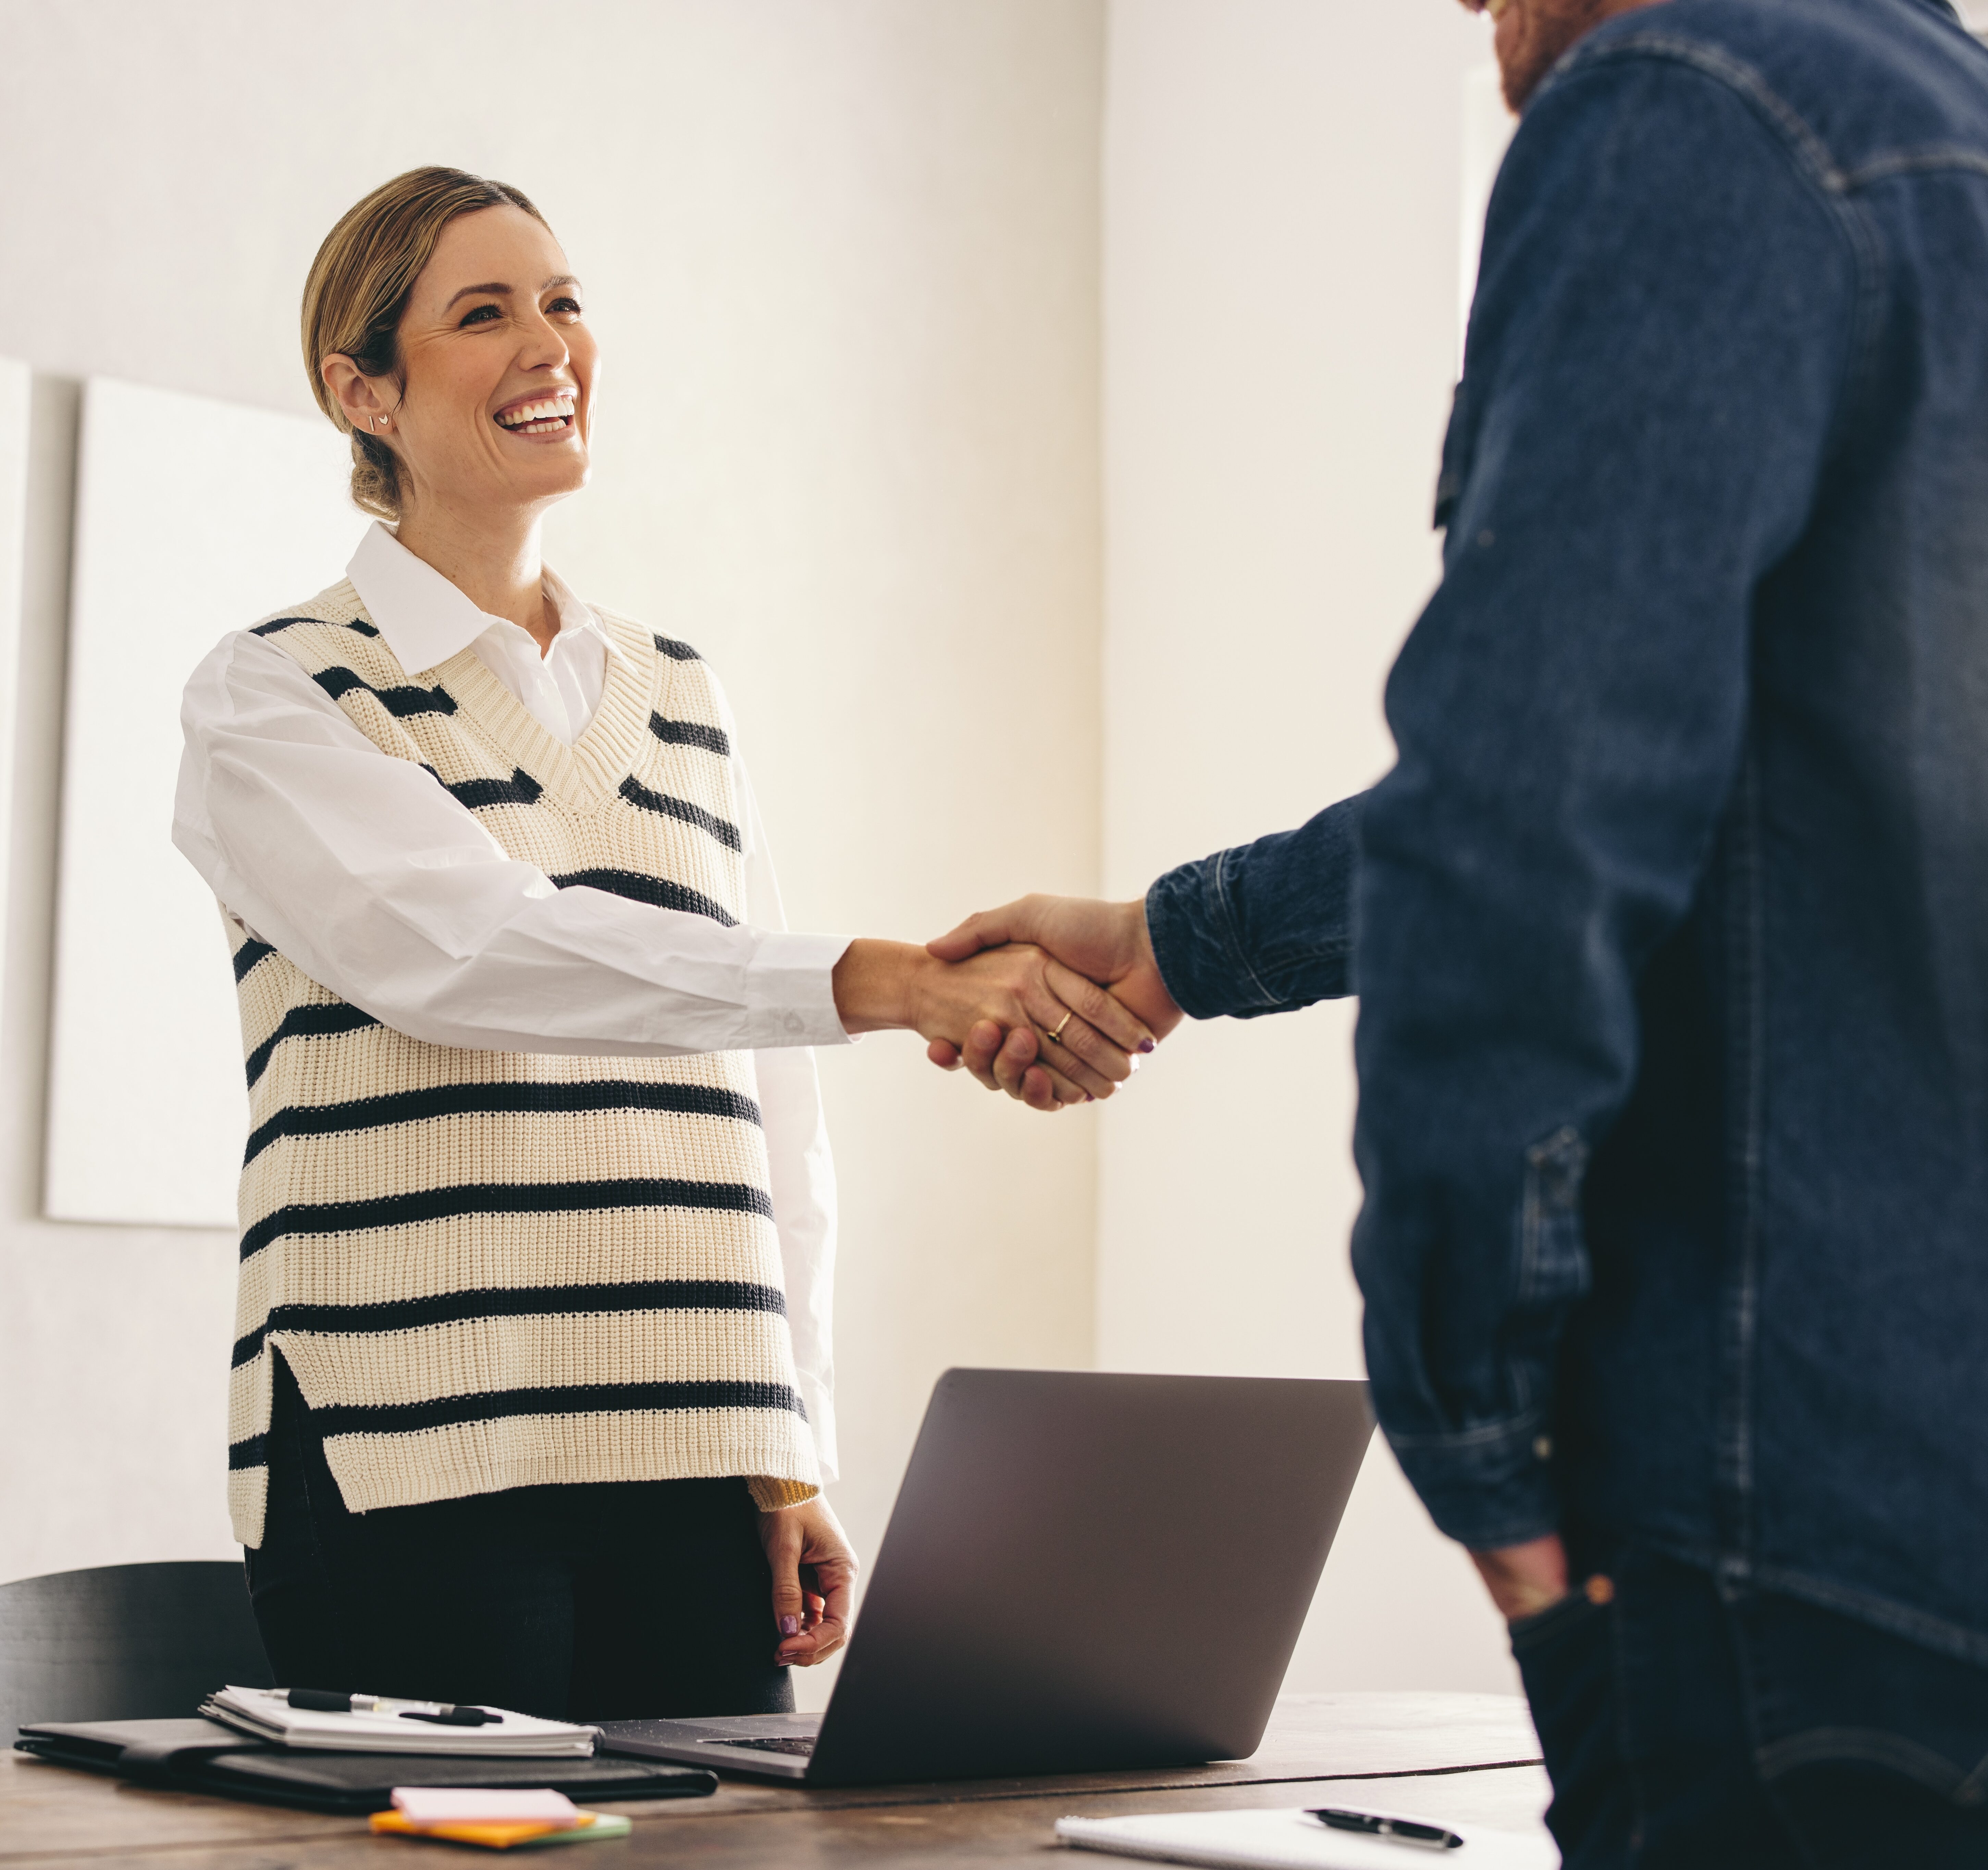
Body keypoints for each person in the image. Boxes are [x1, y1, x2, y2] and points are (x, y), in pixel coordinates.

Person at [929, 0, 1988, 1862]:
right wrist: (1172, 941)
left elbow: (1525, 820)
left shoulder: (1682, 108)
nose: (1469, 10)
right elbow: (1747, 791)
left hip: (1784, 1520)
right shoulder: (1941, 138)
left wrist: (1477, 1441)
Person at [173, 166, 1156, 1722]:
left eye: (563, 301)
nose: (548, 343)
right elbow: (472, 952)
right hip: (421, 1449)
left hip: (693, 1447)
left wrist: (787, 1447)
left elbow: (769, 1105)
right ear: (359, 389)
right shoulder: (274, 693)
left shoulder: (679, 692)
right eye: (482, 312)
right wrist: (883, 980)